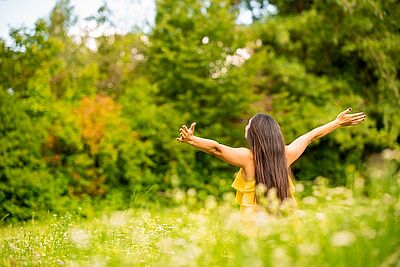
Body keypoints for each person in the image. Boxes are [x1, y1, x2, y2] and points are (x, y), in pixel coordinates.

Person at [176, 108, 366, 221]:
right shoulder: (286, 155)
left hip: (254, 230)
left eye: (249, 124)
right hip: (282, 223)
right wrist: (337, 122)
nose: (246, 126)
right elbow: (310, 136)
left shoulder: (247, 158)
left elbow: (216, 149)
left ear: (254, 133)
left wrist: (193, 140)